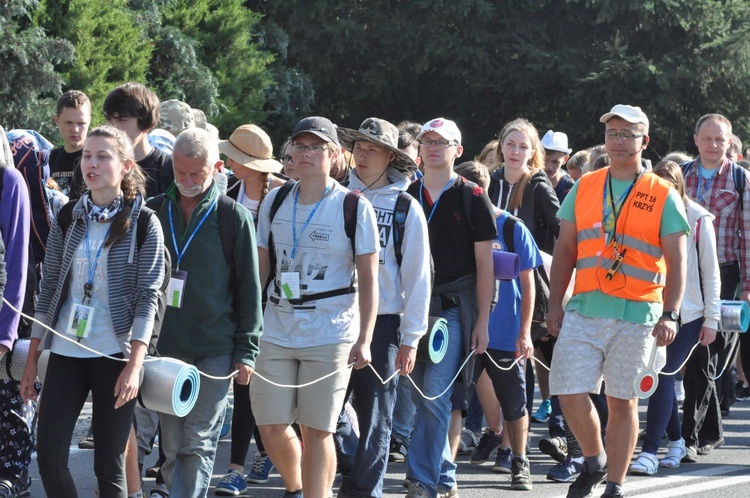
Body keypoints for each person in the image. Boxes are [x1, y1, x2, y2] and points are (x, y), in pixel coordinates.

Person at [546, 104, 688, 498]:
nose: (619, 141)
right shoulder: (586, 185)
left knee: (622, 400)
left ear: (645, 141)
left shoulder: (662, 193)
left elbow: (678, 261)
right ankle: (595, 460)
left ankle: (614, 485)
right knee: (568, 388)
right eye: (613, 133)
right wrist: (555, 303)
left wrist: (671, 314)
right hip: (585, 307)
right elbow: (565, 249)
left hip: (638, 313)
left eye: (628, 134)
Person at [19, 125, 166, 498]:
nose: (92, 163)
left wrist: (135, 364)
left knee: (108, 465)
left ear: (126, 165)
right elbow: (50, 287)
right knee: (49, 458)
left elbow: (149, 296)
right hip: (67, 351)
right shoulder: (69, 216)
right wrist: (33, 357)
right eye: (87, 155)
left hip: (115, 355)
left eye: (103, 156)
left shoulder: (145, 222)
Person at [250, 116, 380, 498]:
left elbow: (369, 281)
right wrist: (248, 325)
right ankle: (296, 488)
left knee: (318, 428)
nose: (305, 154)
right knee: (270, 424)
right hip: (275, 326)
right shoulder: (273, 201)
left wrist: (366, 338)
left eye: (316, 147)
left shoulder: (354, 207)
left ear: (336, 154)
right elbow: (262, 270)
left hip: (330, 330)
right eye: (299, 146)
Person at [148, 127, 262, 498]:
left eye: (196, 173)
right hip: (165, 346)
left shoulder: (233, 217)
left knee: (199, 439)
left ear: (216, 167)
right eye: (180, 173)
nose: (187, 181)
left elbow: (249, 289)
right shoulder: (154, 211)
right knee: (172, 442)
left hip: (214, 347)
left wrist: (247, 350)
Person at [335, 117, 431, 498]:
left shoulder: (407, 207)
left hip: (387, 323)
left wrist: (411, 338)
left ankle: (363, 491)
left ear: (390, 155)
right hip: (335, 317)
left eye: (372, 148)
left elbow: (418, 277)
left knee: (377, 414)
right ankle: (350, 464)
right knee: (324, 410)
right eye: (358, 146)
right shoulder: (335, 195)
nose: (362, 154)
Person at [404, 117, 496, 498]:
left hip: (454, 308)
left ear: (458, 151)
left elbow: (486, 264)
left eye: (442, 142)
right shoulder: (407, 193)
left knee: (434, 393)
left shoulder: (472, 195)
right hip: (413, 309)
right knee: (416, 394)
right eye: (427, 140)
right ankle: (444, 474)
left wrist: (484, 322)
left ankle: (421, 480)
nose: (433, 147)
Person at [629, 160, 720, 476]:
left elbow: (710, 272)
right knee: (655, 374)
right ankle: (678, 440)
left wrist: (712, 319)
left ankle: (650, 451)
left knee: (663, 373)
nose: (664, 189)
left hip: (690, 313)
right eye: (659, 182)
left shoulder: (697, 218)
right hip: (652, 308)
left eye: (670, 183)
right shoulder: (644, 213)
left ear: (680, 186)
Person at [458, 160, 541, 490]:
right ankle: (494, 434)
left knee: (514, 398)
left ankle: (520, 460)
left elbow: (529, 282)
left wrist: (525, 332)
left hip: (506, 329)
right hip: (465, 326)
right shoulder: (455, 230)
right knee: (477, 385)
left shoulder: (510, 227)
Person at [213, 123, 284, 495]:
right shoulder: (228, 191)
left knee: (267, 389)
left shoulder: (285, 195)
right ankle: (237, 467)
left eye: (233, 155)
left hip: (276, 308)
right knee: (242, 387)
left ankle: (270, 453)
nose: (226, 160)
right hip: (234, 303)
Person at [679, 113, 750, 457]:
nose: (713, 145)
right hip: (685, 274)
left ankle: (691, 434)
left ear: (729, 142)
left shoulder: (740, 178)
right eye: (707, 138)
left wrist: (747, 285)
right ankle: (707, 430)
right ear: (695, 139)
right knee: (692, 354)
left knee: (707, 352)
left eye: (720, 139)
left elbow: (748, 235)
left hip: (725, 276)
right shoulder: (681, 176)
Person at [0, 144, 33, 497]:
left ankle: (14, 474)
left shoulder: (9, 181)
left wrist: (6, 332)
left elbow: (18, 263)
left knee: (11, 402)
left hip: (8, 314)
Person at [103, 83, 174, 198]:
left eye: (121, 119)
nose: (111, 127)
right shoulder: (96, 165)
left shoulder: (170, 171)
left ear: (146, 123)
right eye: (108, 119)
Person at [221, 124, 286, 222]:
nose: (228, 163)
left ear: (250, 163)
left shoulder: (287, 193)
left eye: (233, 158)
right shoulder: (228, 188)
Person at [49, 90, 91, 200]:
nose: (75, 129)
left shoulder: (97, 159)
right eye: (68, 123)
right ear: (57, 121)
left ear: (89, 121)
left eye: (81, 123)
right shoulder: (49, 158)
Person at [541, 130, 574, 204]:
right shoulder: (529, 184)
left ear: (565, 159)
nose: (549, 167)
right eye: (545, 160)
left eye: (555, 162)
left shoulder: (571, 189)